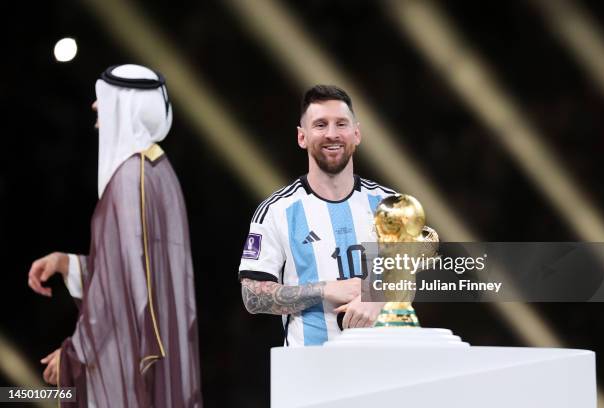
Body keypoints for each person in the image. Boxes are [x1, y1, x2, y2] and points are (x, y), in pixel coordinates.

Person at [28, 64, 202, 407]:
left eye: (103, 99)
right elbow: (136, 271)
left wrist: (75, 352)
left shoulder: (129, 180)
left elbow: (119, 285)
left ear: (127, 106)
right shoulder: (157, 169)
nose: (95, 107)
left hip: (131, 363)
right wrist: (69, 264)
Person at [239, 85, 394, 346]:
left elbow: (426, 270)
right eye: (320, 125)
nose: (332, 134)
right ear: (302, 137)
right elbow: (252, 296)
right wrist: (325, 289)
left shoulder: (389, 204)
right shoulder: (277, 211)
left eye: (341, 124)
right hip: (309, 372)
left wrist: (377, 296)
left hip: (385, 365)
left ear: (356, 133)